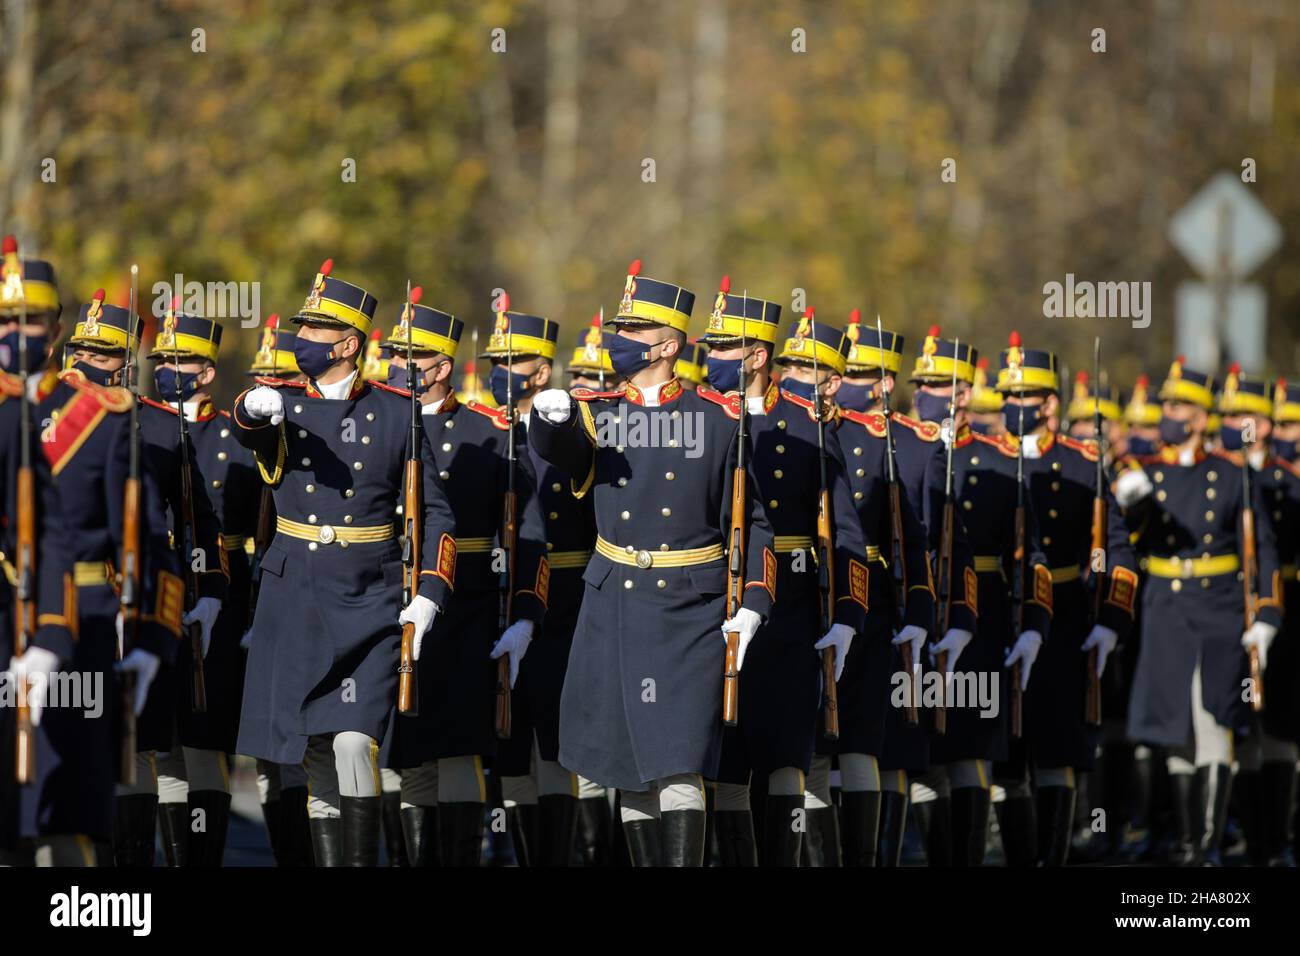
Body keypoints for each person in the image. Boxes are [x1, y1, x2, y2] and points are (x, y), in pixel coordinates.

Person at [529, 259, 777, 866]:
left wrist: (752, 606)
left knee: (680, 761)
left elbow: (753, 526)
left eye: (633, 334)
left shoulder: (720, 422)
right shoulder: (599, 412)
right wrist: (549, 417)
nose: (618, 344)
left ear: (668, 345)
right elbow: (562, 451)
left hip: (691, 607)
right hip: (617, 599)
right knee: (629, 767)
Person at [232, 260, 457, 866]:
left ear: (349, 343)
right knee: (309, 752)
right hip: (296, 593)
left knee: (356, 742)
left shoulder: (396, 410)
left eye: (313, 331)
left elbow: (436, 513)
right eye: (299, 328)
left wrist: (430, 593)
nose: (299, 340)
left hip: (369, 600)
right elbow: (251, 429)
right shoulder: (283, 403)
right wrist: (254, 410)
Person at [701, 288, 868, 867]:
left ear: (755, 356)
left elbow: (844, 534)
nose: (713, 354)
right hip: (710, 602)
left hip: (792, 611)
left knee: (784, 753)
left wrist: (848, 617)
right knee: (723, 753)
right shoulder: (698, 417)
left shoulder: (808, 425)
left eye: (726, 345)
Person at [15, 285, 182, 865]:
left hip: (80, 632)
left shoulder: (104, 422)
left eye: (31, 322)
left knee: (67, 818)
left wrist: (151, 642)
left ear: (52, 333)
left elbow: (148, 542)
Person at [382, 291, 549, 867]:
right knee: (406, 755)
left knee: (457, 750)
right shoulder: (379, 420)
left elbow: (528, 532)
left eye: (408, 355)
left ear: (441, 366)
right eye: (392, 352)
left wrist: (526, 612)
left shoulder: (490, 430)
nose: (394, 364)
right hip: (391, 603)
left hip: (469, 608)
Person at [1115, 357, 1282, 866]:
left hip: (1219, 606)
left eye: (1180, 404)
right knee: (1173, 728)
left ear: (1202, 415)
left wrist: (1267, 614)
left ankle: (1206, 846)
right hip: (1165, 606)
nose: (1169, 412)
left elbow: (1262, 548)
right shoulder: (1150, 472)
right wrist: (1133, 503)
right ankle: (1187, 842)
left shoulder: (1231, 474)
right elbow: (1134, 540)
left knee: (1214, 722)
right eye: (1166, 403)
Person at [994, 332, 1139, 866]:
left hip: (1065, 617)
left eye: (1024, 398)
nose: (1013, 407)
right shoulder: (987, 457)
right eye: (1007, 397)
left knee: (1056, 749)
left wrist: (1112, 621)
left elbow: (1119, 550)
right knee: (1007, 755)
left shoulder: (1082, 464)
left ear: (1049, 404)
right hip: (1002, 613)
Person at [1216, 367, 1298, 866]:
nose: (1231, 423)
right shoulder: (1220, 474)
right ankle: (1249, 836)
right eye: (1226, 415)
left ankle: (1279, 840)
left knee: (1281, 727)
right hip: (1229, 610)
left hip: (1285, 613)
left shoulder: (1284, 482)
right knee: (1242, 728)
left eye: (1241, 415)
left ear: (1263, 425)